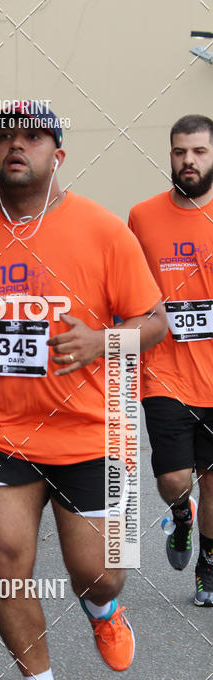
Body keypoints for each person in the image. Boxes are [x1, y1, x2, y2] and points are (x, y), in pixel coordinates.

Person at [0, 103, 167, 680]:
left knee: (99, 570)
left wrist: (101, 342)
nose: (16, 145)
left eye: (31, 137)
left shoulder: (103, 230)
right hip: (1, 429)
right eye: (4, 137)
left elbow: (155, 322)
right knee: (5, 559)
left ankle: (103, 607)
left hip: (91, 429)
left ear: (57, 155)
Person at [129, 114, 213, 607]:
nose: (188, 161)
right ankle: (181, 514)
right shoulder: (142, 217)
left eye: (199, 151)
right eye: (180, 151)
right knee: (174, 479)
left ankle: (208, 564)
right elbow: (127, 288)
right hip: (163, 372)